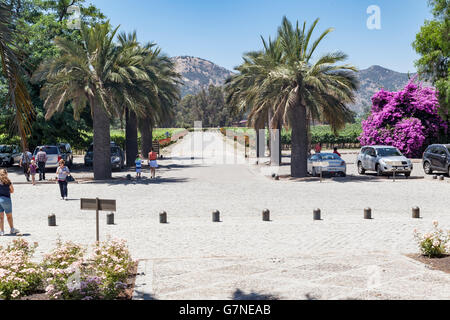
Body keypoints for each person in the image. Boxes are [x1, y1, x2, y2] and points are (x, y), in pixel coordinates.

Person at [0, 169, 19, 236]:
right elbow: (12, 190)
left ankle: (2, 231)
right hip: (6, 199)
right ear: (6, 174)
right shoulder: (8, 181)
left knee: (1, 217)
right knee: (9, 216)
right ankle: (12, 229)